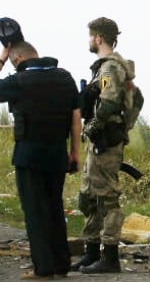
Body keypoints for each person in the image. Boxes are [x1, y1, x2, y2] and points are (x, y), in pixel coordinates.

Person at [0, 27, 81, 280]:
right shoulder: (65, 77)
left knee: (35, 212)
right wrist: (75, 152)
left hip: (28, 156)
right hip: (58, 155)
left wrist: (2, 57)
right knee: (55, 208)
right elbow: (75, 117)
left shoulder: (18, 82)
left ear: (18, 59)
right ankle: (61, 264)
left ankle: (43, 269)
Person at [74, 17, 135, 275]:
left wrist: (92, 127)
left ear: (98, 38)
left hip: (105, 142)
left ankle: (110, 257)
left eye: (91, 36)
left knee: (107, 199)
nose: (89, 41)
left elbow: (109, 102)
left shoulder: (110, 68)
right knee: (89, 196)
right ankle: (91, 252)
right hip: (100, 142)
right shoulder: (104, 68)